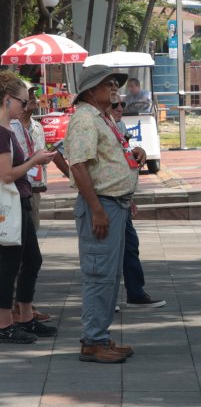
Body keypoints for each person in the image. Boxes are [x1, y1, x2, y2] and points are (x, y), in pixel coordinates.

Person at [63, 65, 143, 363]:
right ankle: (93, 341)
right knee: (99, 275)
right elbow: (79, 165)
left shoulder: (102, 118)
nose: (114, 88)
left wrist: (134, 156)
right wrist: (96, 209)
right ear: (90, 90)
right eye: (108, 83)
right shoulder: (85, 119)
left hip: (113, 204)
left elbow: (102, 159)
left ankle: (100, 336)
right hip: (102, 206)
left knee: (109, 275)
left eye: (115, 83)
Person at [0, 71, 57, 344]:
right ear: (8, 100)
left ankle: (24, 316)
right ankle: (5, 324)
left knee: (31, 260)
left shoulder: (10, 128)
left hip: (19, 200)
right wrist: (34, 160)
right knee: (10, 266)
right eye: (23, 102)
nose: (27, 106)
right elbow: (7, 174)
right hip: (11, 203)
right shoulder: (2, 132)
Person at [105, 100, 164, 310]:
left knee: (130, 245)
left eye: (122, 103)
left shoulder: (119, 126)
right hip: (105, 199)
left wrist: (138, 150)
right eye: (115, 104)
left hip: (122, 197)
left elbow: (123, 161)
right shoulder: (93, 124)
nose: (121, 108)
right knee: (109, 251)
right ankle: (106, 298)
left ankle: (135, 293)